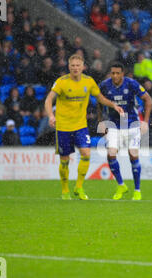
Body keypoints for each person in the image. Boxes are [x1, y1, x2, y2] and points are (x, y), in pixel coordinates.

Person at [44, 54, 124, 200]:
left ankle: (79, 187)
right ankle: (65, 191)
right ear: (69, 67)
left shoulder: (89, 81)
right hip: (63, 127)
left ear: (83, 67)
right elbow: (49, 100)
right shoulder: (62, 82)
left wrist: (114, 105)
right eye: (72, 65)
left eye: (77, 65)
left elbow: (100, 97)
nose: (75, 68)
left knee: (86, 154)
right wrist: (51, 115)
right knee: (65, 161)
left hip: (80, 126)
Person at [98, 62, 152, 200]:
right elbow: (99, 102)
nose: (115, 76)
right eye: (113, 73)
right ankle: (121, 185)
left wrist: (145, 122)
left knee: (133, 155)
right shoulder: (105, 85)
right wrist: (101, 122)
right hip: (114, 125)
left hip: (132, 124)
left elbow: (148, 100)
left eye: (117, 73)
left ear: (122, 74)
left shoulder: (131, 84)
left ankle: (137, 189)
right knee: (111, 154)